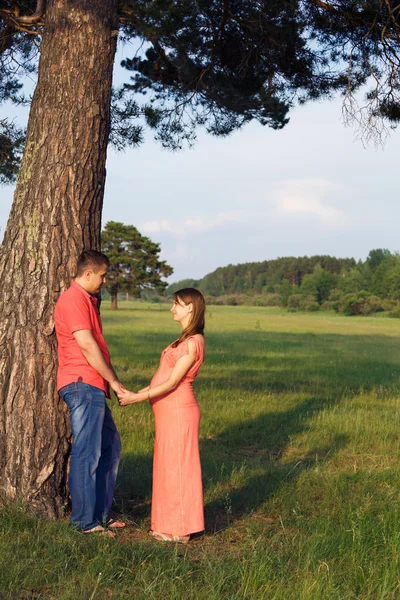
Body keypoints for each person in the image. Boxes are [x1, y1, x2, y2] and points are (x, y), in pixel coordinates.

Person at [119, 288, 206, 543]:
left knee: (178, 467)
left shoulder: (193, 342)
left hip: (179, 410)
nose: (172, 309)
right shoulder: (184, 339)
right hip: (169, 412)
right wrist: (136, 393)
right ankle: (168, 524)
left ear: (191, 307)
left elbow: (172, 383)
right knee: (168, 466)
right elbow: (163, 378)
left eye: (176, 304)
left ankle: (180, 529)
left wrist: (138, 397)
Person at [54, 249, 126, 536]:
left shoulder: (87, 300)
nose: (105, 280)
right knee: (87, 452)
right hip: (82, 383)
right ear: (88, 274)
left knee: (110, 447)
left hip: (93, 385)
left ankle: (99, 515)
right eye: (103, 275)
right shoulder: (73, 300)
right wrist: (115, 382)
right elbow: (86, 345)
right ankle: (84, 523)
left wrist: (108, 382)